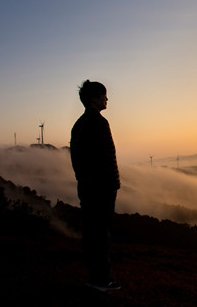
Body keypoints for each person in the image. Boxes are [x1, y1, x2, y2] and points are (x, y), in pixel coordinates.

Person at [70, 80, 121, 291]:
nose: (107, 99)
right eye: (103, 95)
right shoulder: (99, 122)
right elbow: (106, 158)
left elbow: (77, 159)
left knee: (91, 232)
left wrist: (84, 180)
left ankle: (94, 276)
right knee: (101, 233)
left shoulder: (79, 124)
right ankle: (102, 279)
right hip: (102, 187)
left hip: (86, 186)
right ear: (93, 99)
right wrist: (113, 183)